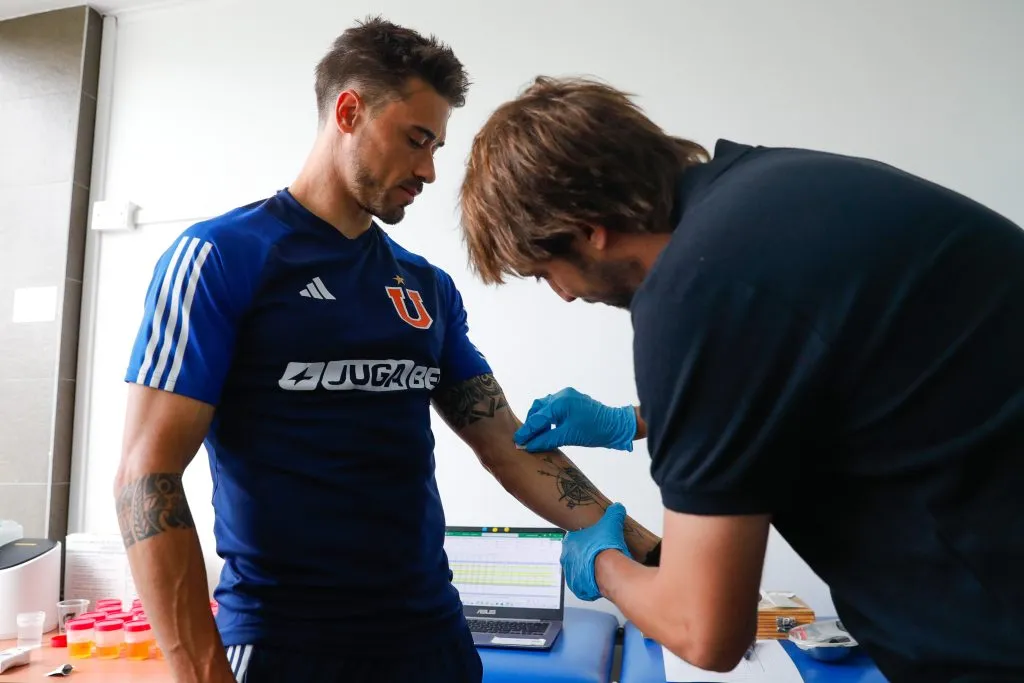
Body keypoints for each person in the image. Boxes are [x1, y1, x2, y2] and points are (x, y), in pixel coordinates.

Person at [113, 25, 660, 683]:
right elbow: (146, 475)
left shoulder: (425, 287)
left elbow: (504, 442)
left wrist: (643, 545)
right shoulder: (222, 258)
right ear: (349, 112)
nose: (429, 169)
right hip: (286, 644)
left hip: (430, 639)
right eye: (416, 140)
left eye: (436, 146)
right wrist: (200, 673)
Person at [457, 75, 1024, 682]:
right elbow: (826, 367)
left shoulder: (695, 292)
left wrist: (605, 566)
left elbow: (705, 632)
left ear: (590, 227)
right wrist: (634, 422)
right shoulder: (779, 189)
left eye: (546, 271)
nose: (564, 295)